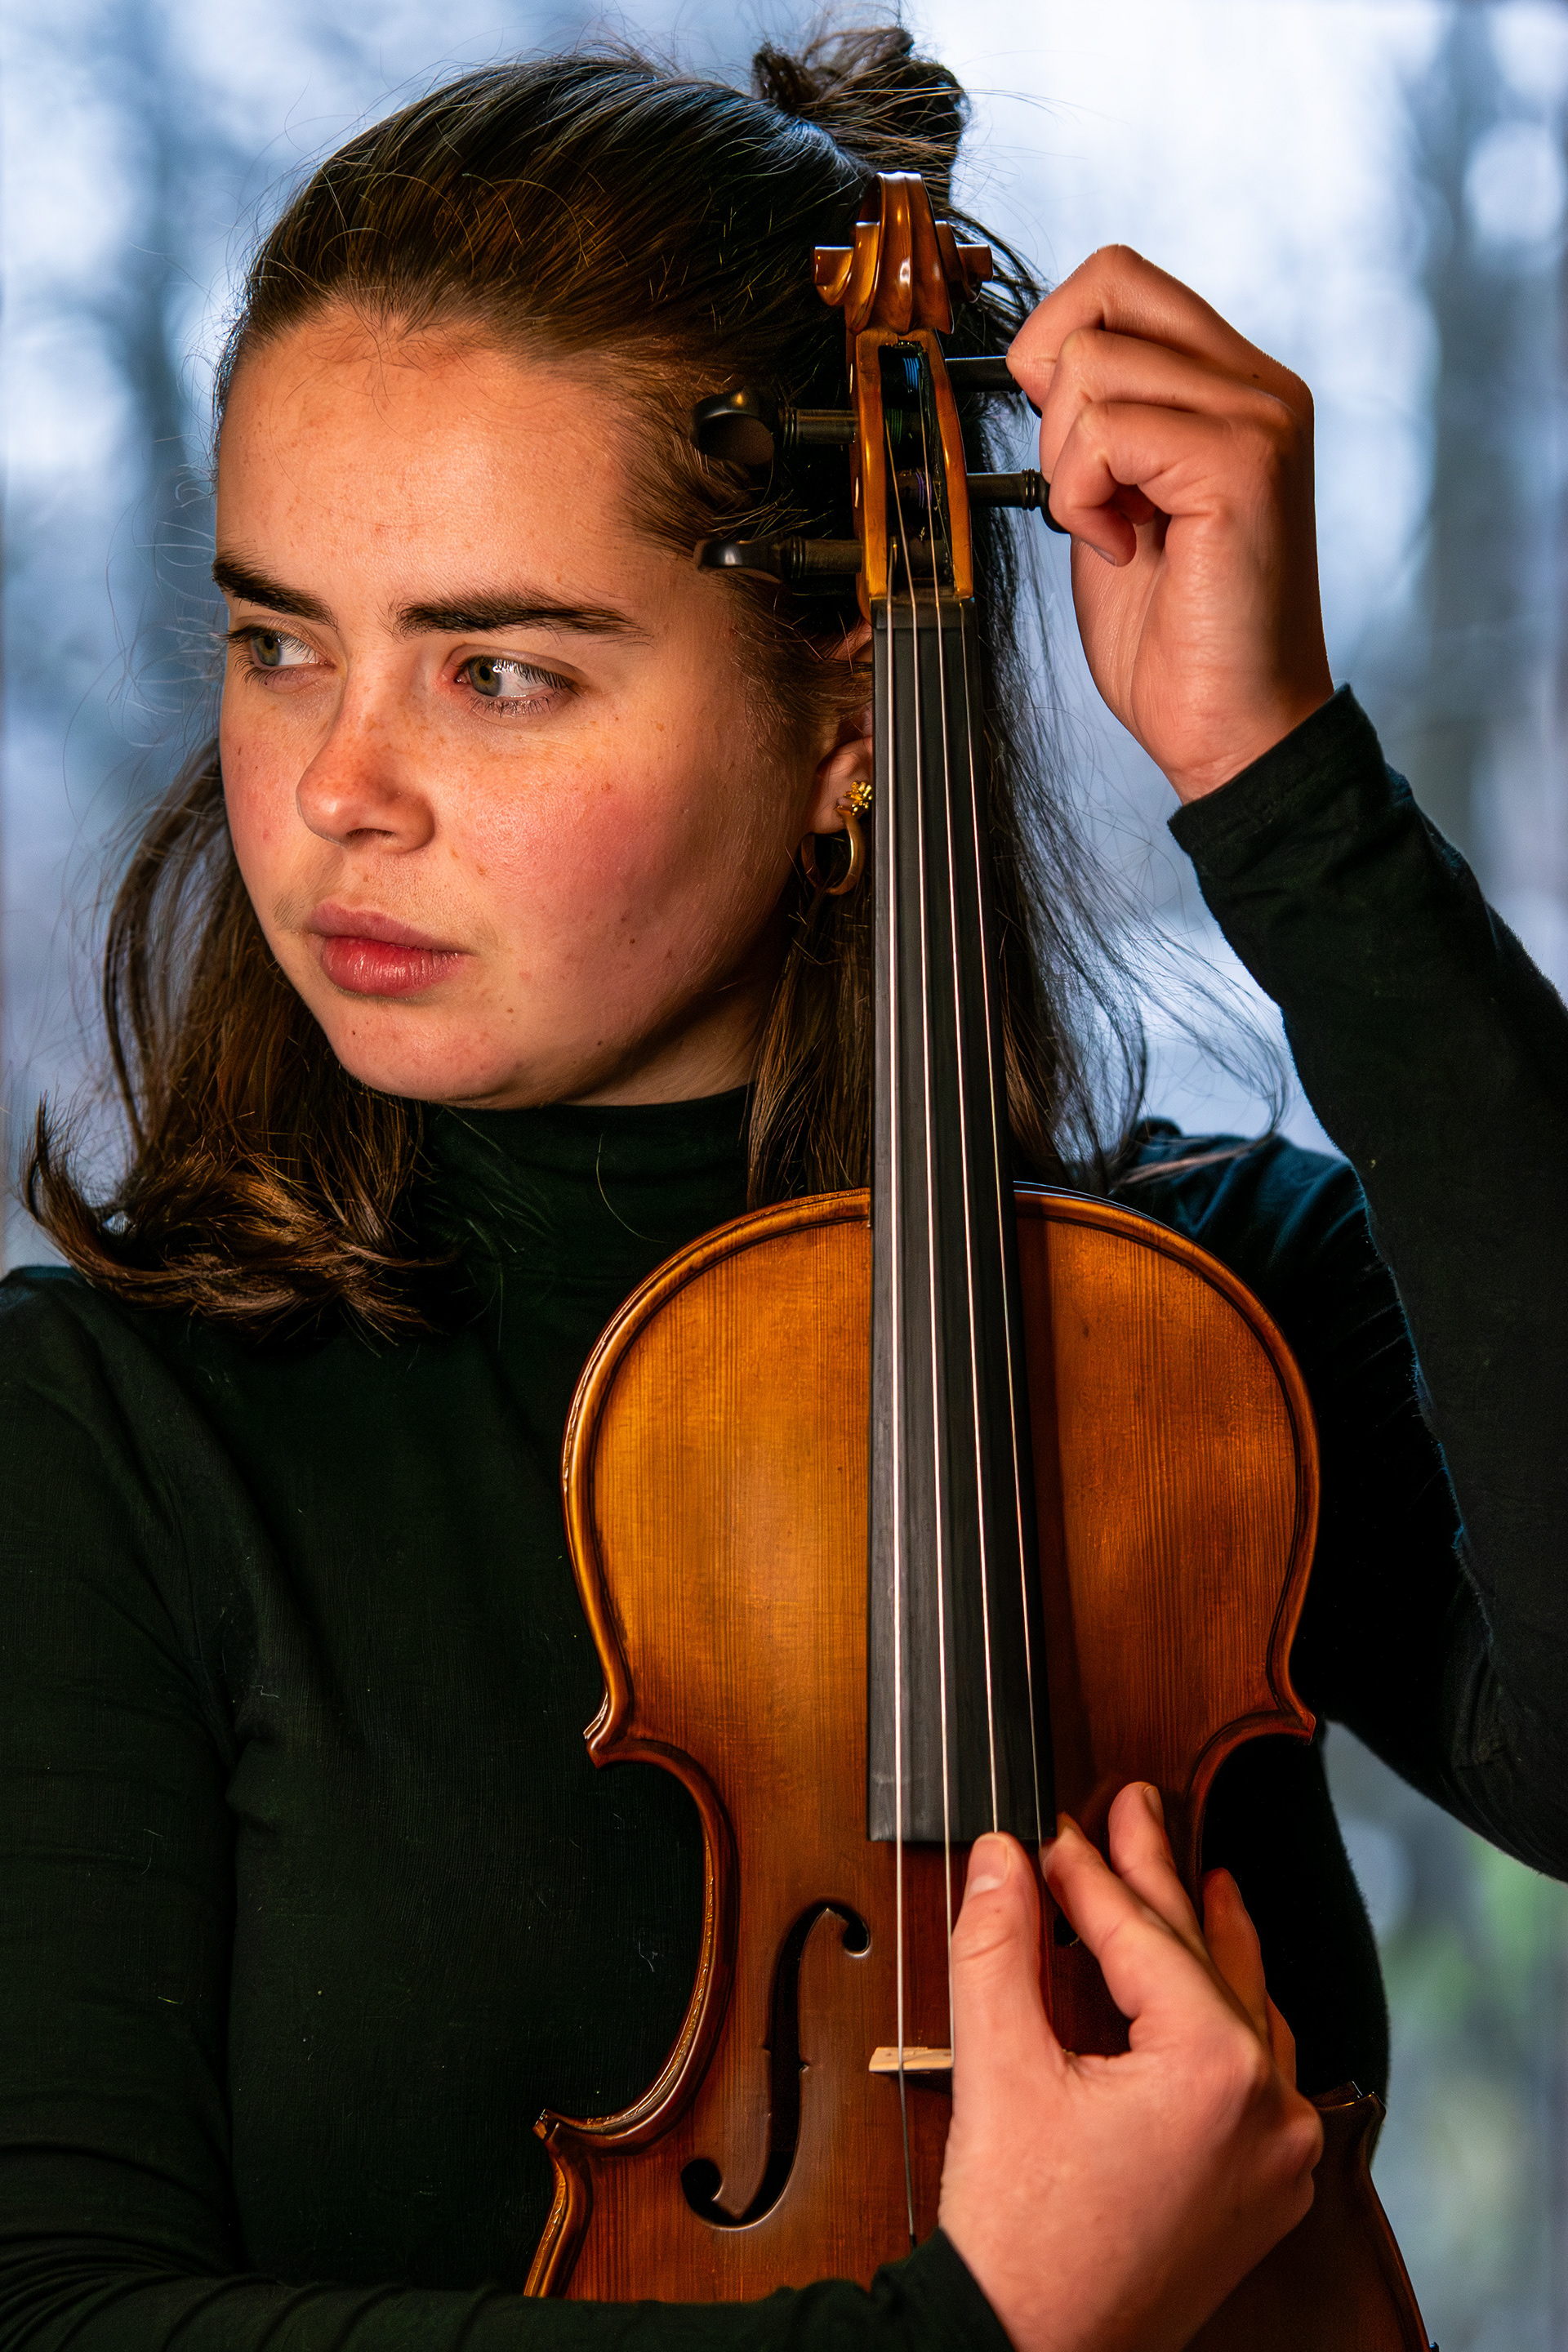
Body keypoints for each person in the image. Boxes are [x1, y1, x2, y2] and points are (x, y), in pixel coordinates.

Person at [0, 22, 1562, 2351]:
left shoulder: (1203, 1327)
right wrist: (976, 2330)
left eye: (502, 673)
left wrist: (1290, 786)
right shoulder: (106, 1435)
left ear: (853, 726)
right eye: (277, 640)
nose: (338, 789)